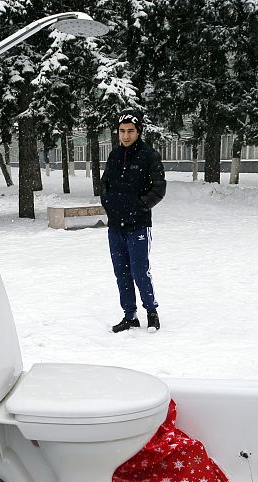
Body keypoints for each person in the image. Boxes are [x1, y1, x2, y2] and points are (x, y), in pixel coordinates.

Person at [100, 110, 167, 333]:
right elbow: (104, 185)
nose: (126, 136)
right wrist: (109, 204)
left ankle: (151, 311)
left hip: (138, 225)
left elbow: (159, 188)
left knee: (140, 271)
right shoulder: (114, 156)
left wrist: (139, 206)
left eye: (130, 131)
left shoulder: (149, 156)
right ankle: (130, 316)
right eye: (122, 131)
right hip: (115, 227)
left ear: (139, 131)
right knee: (121, 272)